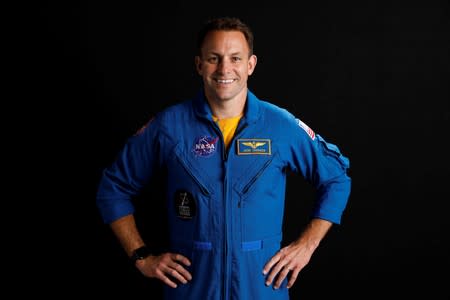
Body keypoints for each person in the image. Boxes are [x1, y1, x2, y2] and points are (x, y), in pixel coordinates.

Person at [96, 16, 351, 300]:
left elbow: (336, 178)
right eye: (214, 58)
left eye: (235, 58)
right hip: (192, 287)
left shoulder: (280, 126)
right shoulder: (169, 127)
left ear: (251, 65)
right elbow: (113, 188)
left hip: (261, 286)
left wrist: (307, 245)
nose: (224, 69)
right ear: (199, 64)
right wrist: (142, 256)